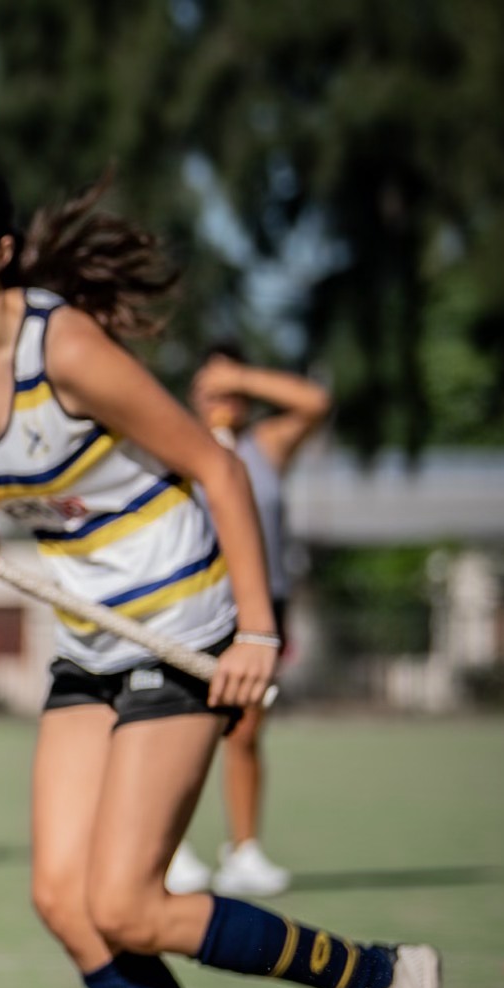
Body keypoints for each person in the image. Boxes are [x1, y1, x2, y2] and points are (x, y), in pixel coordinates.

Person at [0, 154, 440, 988]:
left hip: (180, 616)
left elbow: (217, 466)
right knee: (63, 901)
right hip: (88, 634)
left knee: (130, 904)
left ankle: (377, 976)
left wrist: (255, 632)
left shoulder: (61, 345)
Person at [165, 348, 332, 898]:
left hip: (261, 608)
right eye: (212, 386)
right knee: (179, 727)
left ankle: (244, 850)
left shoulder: (266, 448)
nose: (225, 397)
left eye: (233, 389)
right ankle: (170, 848)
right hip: (192, 604)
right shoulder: (177, 443)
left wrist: (242, 375)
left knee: (245, 731)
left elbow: (315, 402)